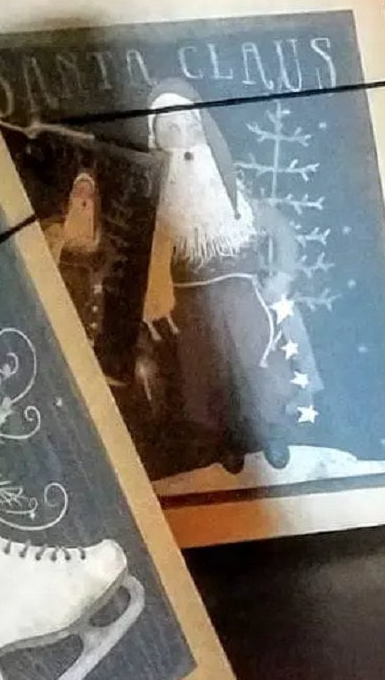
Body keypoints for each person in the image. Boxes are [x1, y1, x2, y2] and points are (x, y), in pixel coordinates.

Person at [133, 86, 322, 480]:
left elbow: (281, 232)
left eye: (191, 128)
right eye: (172, 131)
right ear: (157, 141)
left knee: (259, 366)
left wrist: (282, 276)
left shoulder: (240, 203)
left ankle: (271, 430)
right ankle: (224, 440)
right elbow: (150, 259)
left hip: (245, 300)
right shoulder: (158, 213)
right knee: (205, 374)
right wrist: (154, 294)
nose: (185, 142)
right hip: (191, 308)